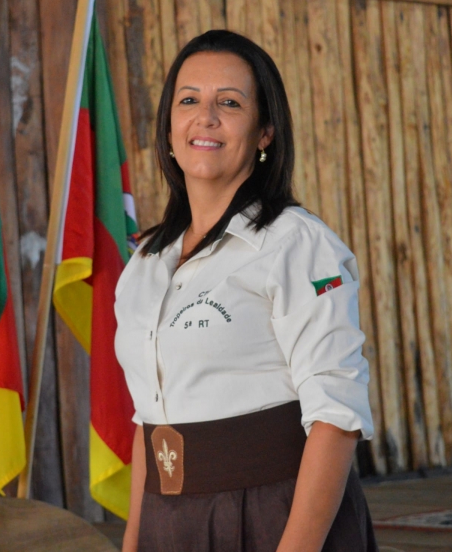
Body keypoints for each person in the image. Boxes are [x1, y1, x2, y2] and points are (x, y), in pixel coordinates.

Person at [114, 30, 378, 552]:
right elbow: (149, 417)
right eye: (189, 100)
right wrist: (135, 541)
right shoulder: (145, 262)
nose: (205, 117)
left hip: (272, 518)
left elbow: (336, 416)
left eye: (229, 103)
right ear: (169, 127)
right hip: (170, 521)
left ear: (264, 133)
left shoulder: (295, 244)